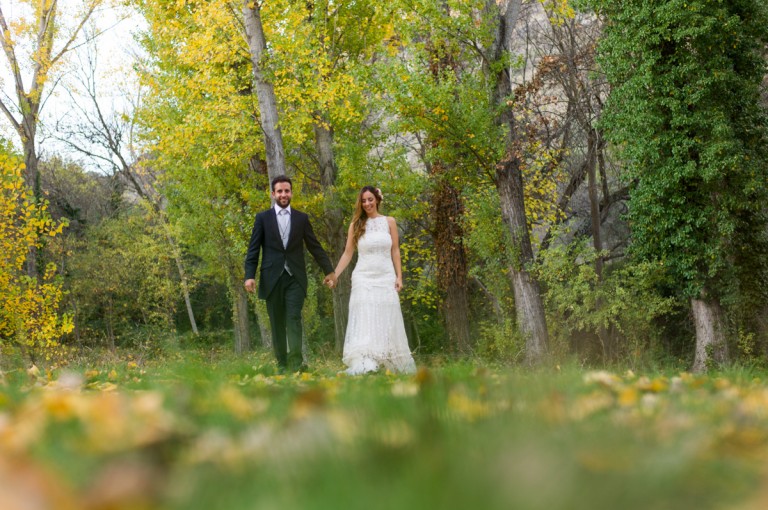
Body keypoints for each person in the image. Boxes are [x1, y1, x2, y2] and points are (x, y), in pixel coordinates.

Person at [244, 175, 336, 373]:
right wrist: (249, 275)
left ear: (291, 193)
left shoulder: (302, 218)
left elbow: (314, 246)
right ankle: (282, 364)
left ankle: (296, 364)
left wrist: (329, 270)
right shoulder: (262, 218)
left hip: (295, 277)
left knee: (293, 318)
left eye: (287, 191)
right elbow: (253, 249)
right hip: (272, 279)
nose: (283, 194)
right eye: (280, 191)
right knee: (277, 323)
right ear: (273, 194)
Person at [327, 186, 416, 375]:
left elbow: (395, 250)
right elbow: (348, 253)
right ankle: (367, 363)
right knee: (366, 318)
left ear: (377, 199)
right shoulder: (356, 225)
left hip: (385, 276)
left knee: (387, 317)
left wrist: (399, 276)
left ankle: (389, 360)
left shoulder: (389, 222)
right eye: (363, 201)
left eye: (370, 199)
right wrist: (335, 274)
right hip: (363, 277)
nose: (367, 203)